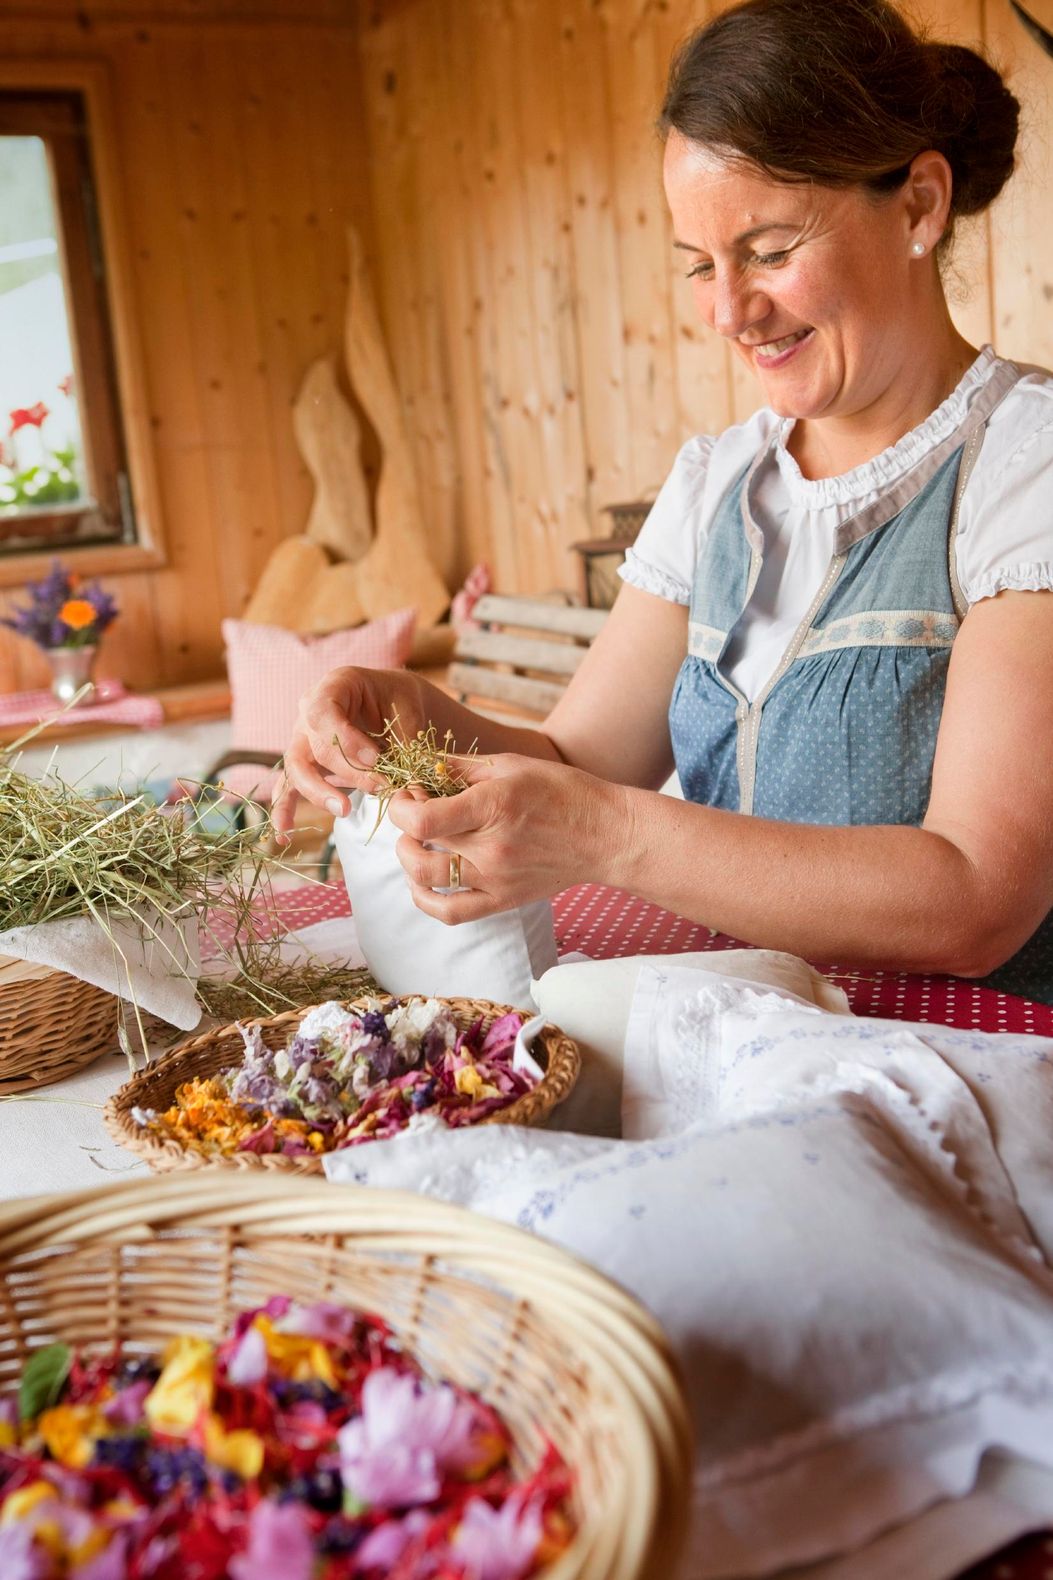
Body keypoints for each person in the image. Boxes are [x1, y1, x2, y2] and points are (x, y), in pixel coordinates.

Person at [274, 0, 1053, 1004]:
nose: (729, 311)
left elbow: (974, 901)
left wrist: (602, 829)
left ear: (918, 205)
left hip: (979, 1078)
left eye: (770, 249)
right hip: (756, 1046)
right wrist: (411, 713)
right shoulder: (721, 481)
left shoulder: (1021, 463)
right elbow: (579, 755)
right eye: (699, 265)